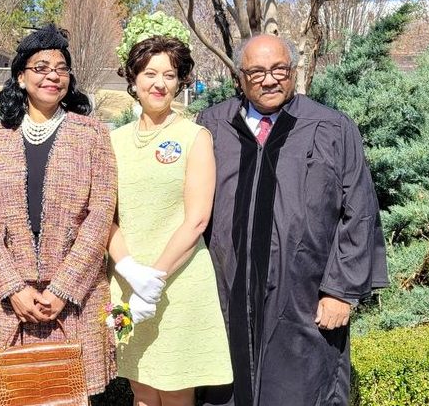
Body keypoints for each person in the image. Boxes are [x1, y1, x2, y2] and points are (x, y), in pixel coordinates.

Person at [196, 34, 389, 406]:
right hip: (225, 294)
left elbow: (360, 211)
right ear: (240, 77)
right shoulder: (213, 126)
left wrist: (341, 291)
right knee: (225, 390)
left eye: (279, 69)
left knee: (301, 389)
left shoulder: (331, 127)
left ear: (294, 71)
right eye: (256, 72)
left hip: (303, 298)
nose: (269, 80)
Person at [0, 24, 117, 397]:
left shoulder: (92, 134)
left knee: (71, 394)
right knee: (18, 394)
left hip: (74, 301)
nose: (53, 75)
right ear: (20, 77)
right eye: (41, 67)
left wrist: (63, 289)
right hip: (14, 305)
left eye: (61, 68)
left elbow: (101, 215)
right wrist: (12, 288)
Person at [108, 35, 232, 406]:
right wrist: (133, 274)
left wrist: (154, 279)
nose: (159, 84)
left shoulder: (195, 137)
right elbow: (103, 216)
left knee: (176, 390)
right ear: (133, 79)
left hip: (178, 283)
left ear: (181, 82)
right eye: (149, 73)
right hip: (128, 285)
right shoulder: (112, 141)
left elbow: (196, 220)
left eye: (170, 74)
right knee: (141, 388)